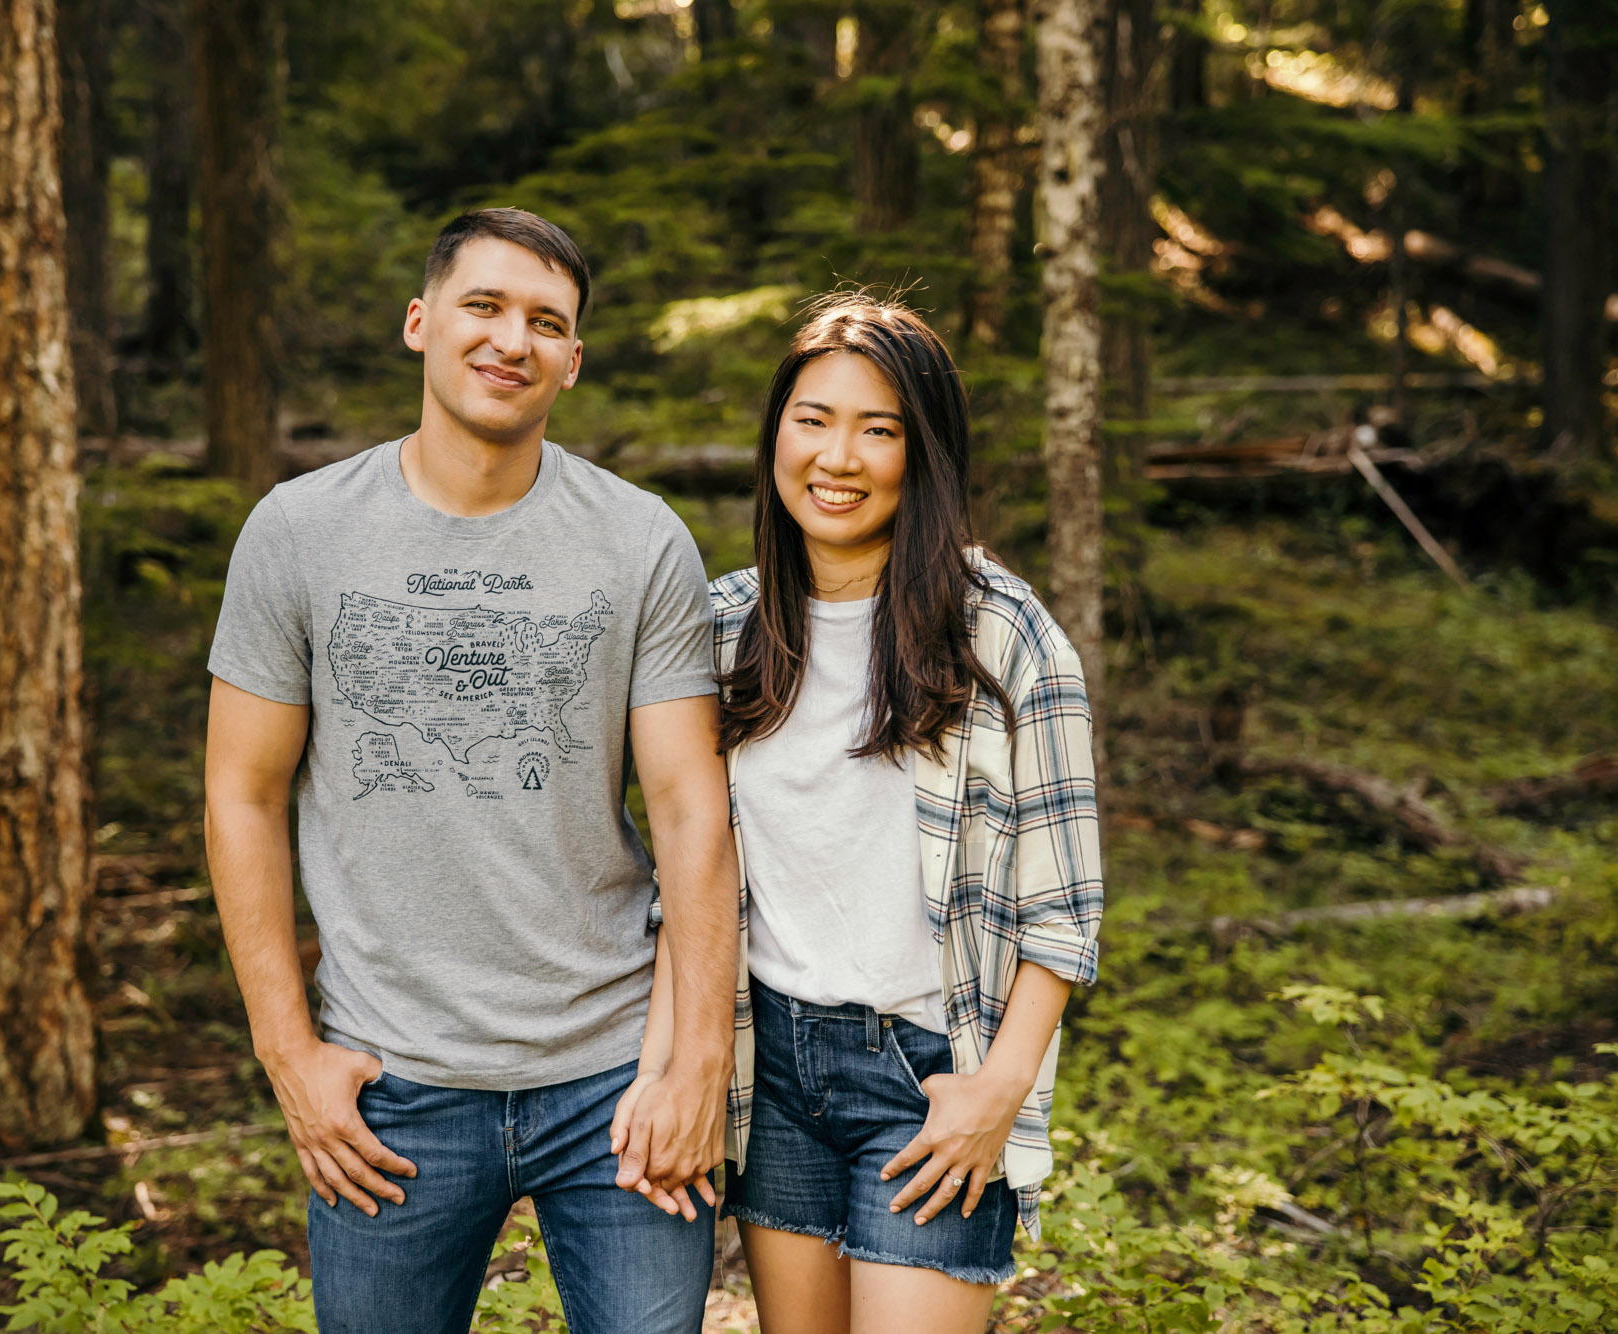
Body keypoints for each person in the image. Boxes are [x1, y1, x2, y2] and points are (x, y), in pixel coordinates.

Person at [203, 207, 739, 1334]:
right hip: (391, 1087)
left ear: (574, 360)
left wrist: (694, 1063)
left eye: (546, 321)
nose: (512, 339)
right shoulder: (297, 532)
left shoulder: (639, 540)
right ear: (420, 322)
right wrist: (287, 1051)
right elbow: (242, 795)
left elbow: (692, 810)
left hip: (611, 1079)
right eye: (483, 306)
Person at [631, 293, 1104, 1333]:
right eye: (812, 419)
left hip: (927, 1071)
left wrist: (999, 1089)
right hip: (775, 1067)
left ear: (921, 451)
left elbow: (1064, 909)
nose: (836, 456)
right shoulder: (720, 632)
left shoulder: (1003, 635)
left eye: (877, 428)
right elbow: (683, 867)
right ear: (773, 437)